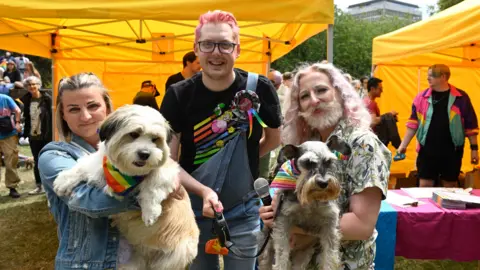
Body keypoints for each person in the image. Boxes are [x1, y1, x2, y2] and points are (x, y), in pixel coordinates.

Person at [160, 10, 282, 270]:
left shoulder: (259, 88)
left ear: (237, 50)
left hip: (244, 208)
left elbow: (274, 139)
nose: (216, 52)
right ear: (196, 49)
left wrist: (239, 165)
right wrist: (203, 191)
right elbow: (168, 162)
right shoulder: (178, 95)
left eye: (225, 44)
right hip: (192, 208)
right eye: (208, 44)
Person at [259, 62, 391, 269]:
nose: (314, 100)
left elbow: (362, 225)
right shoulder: (305, 145)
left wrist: (292, 225)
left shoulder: (364, 144)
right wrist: (272, 214)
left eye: (321, 90)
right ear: (298, 108)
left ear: (340, 94)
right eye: (304, 96)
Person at [38, 73, 140, 269]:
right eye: (73, 109)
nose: (85, 116)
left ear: (108, 108)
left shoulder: (132, 149)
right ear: (63, 115)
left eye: (93, 106)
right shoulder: (54, 155)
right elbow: (88, 200)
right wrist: (150, 196)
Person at [397, 64, 478, 187]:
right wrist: (403, 146)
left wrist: (474, 150)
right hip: (427, 149)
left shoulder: (461, 98)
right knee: (424, 185)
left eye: (432, 76)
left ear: (444, 77)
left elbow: (471, 126)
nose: (428, 78)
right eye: (427, 76)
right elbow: (413, 124)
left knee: (450, 186)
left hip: (452, 150)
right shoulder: (421, 98)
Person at [21, 76, 52, 195]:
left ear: (39, 85)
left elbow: (51, 118)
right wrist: (25, 133)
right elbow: (27, 118)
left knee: (48, 160)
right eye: (29, 85)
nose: (32, 87)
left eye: (34, 84)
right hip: (33, 136)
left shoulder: (47, 99)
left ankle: (49, 186)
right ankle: (39, 186)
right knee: (37, 161)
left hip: (46, 135)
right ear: (26, 87)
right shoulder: (27, 100)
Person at [0, 93, 22, 198]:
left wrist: (17, 123)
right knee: (10, 161)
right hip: (8, 134)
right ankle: (12, 188)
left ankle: (12, 187)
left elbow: (17, 110)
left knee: (11, 161)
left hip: (8, 134)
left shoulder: (5, 98)